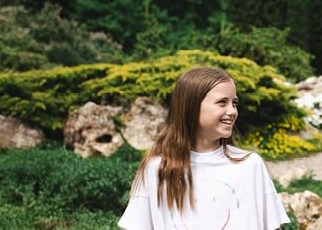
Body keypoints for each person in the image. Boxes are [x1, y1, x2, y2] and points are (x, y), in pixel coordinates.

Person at [118, 67, 290, 230]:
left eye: (234, 103)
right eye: (222, 102)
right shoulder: (157, 168)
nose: (232, 111)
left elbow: (273, 226)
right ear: (191, 108)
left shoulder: (250, 165)